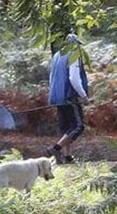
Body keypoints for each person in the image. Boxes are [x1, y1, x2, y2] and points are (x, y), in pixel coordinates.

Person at [46, 33, 90, 164]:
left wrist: (55, 94)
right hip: (70, 96)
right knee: (78, 126)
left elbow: (52, 77)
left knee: (66, 128)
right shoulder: (73, 56)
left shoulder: (56, 56)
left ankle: (67, 156)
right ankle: (56, 148)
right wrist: (84, 96)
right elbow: (74, 78)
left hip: (58, 96)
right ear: (74, 44)